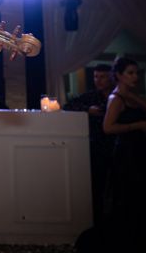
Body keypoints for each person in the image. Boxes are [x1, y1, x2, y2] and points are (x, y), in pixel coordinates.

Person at [102, 57, 146, 252]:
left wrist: (133, 97)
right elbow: (108, 128)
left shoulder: (128, 96)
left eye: (136, 73)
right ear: (119, 75)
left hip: (139, 151)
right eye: (130, 73)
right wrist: (138, 125)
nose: (135, 76)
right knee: (128, 197)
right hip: (126, 153)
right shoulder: (115, 98)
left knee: (142, 198)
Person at [63, 63, 115, 226]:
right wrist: (87, 110)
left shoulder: (118, 96)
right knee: (97, 186)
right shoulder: (91, 97)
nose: (98, 80)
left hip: (117, 144)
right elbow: (68, 106)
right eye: (95, 77)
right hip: (96, 146)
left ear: (111, 78)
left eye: (102, 77)